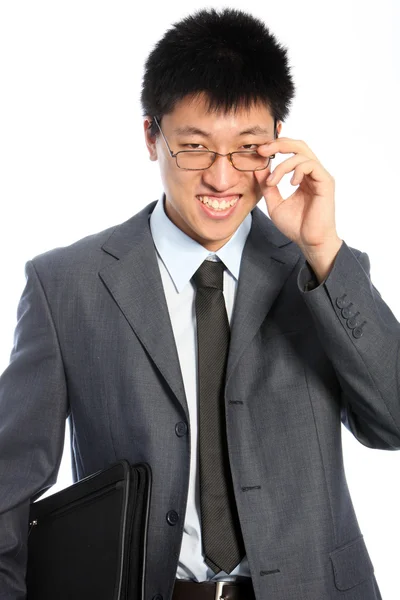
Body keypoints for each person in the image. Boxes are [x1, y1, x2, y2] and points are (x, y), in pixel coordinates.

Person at [0, 7, 397, 600]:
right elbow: (7, 490)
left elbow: (392, 423)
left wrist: (322, 248)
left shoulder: (318, 268)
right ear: (151, 137)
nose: (221, 177)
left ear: (278, 142)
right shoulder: (67, 287)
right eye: (194, 147)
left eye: (248, 149)